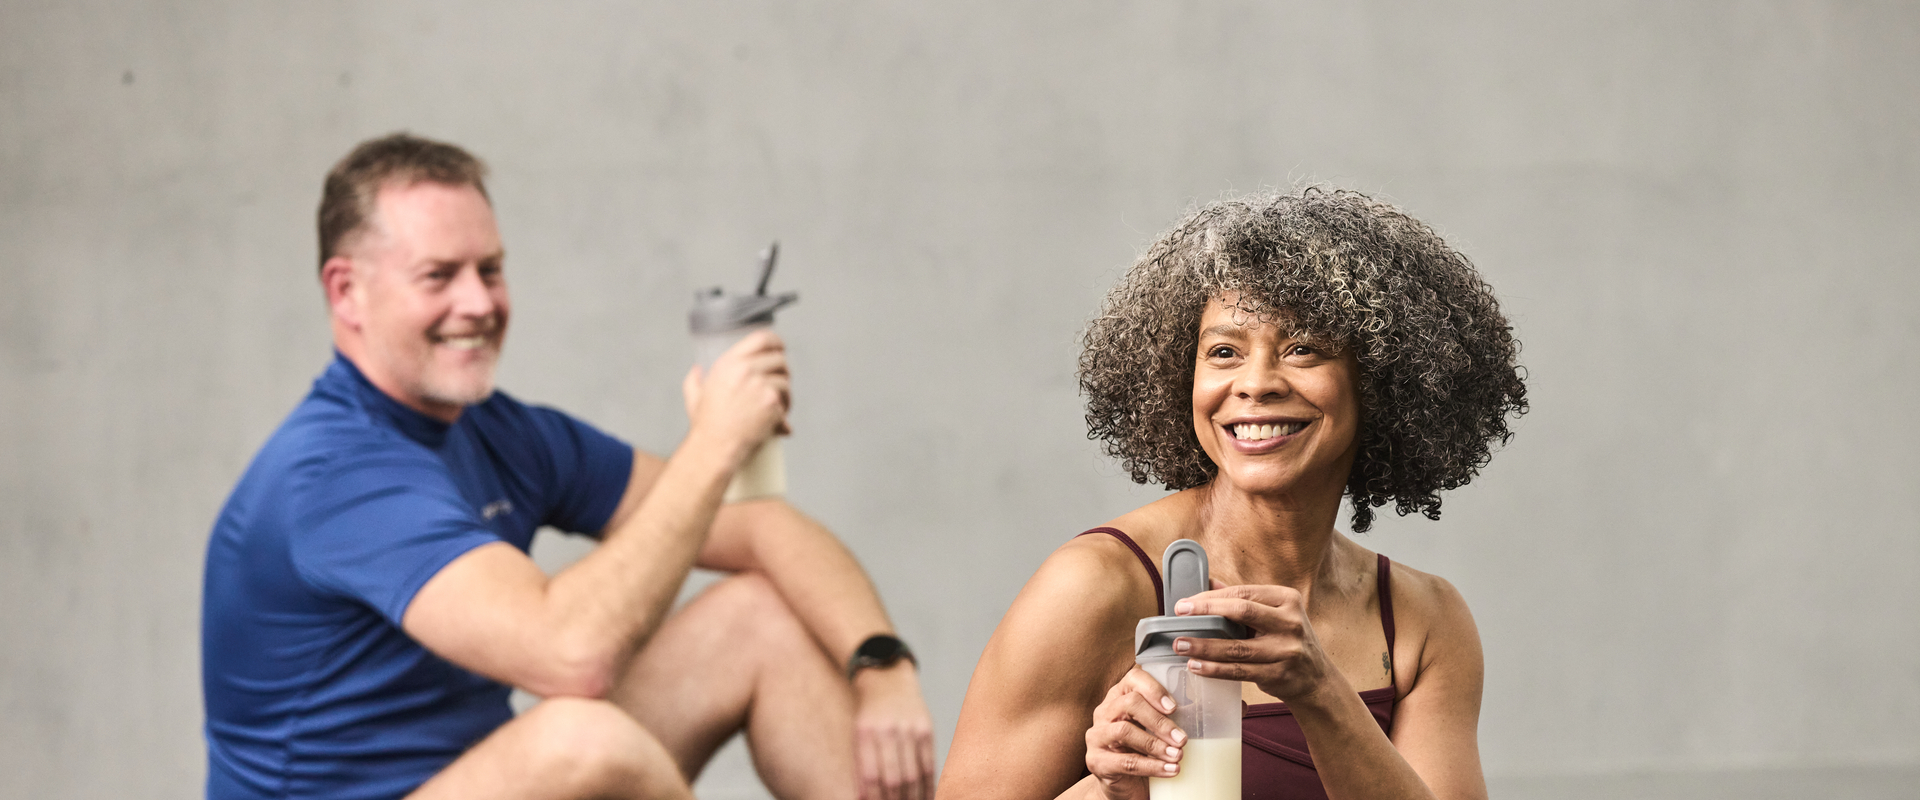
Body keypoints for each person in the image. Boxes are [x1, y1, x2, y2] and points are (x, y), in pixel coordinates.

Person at [201, 132, 936, 800]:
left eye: (490, 269)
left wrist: (883, 669)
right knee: (582, 739)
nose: (479, 302)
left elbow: (762, 529)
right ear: (345, 292)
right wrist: (714, 445)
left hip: (468, 777)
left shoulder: (499, 432)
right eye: (438, 275)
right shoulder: (335, 473)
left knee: (758, 619)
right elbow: (571, 655)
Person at [938, 188, 1528, 800]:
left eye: (1303, 349)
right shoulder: (1096, 586)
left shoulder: (1422, 622)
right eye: (1224, 352)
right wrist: (1109, 792)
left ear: (1382, 377)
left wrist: (1317, 687)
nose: (1256, 384)